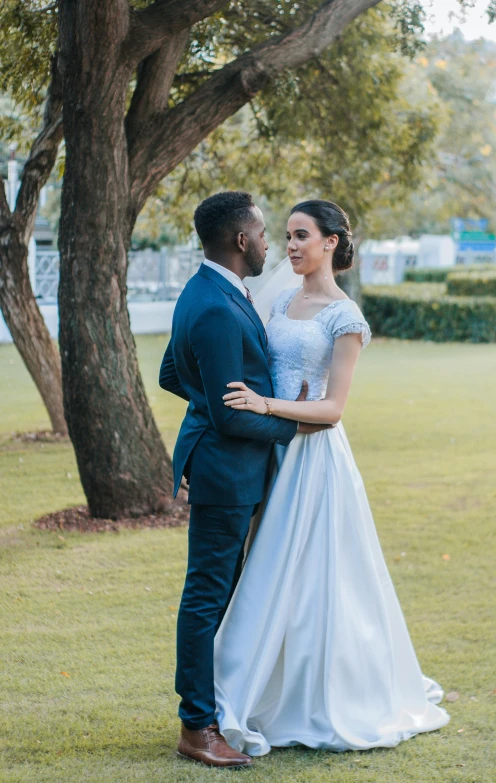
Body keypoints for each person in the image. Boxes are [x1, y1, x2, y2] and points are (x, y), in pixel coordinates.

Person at [213, 199, 450, 755]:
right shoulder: (279, 301)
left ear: (332, 243)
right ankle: (253, 686)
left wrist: (266, 406)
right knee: (265, 573)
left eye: (301, 235)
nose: (290, 245)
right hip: (269, 455)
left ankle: (320, 695)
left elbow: (333, 408)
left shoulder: (346, 317)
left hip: (314, 462)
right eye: (287, 236)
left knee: (314, 577)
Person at [159, 191, 326, 768]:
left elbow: (170, 373)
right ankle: (196, 727)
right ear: (239, 240)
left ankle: (217, 707)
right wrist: (288, 425)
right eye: (261, 232)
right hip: (225, 472)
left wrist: (209, 406)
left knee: (222, 592)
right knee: (207, 596)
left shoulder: (209, 291)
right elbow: (231, 412)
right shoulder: (214, 306)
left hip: (227, 465)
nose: (268, 243)